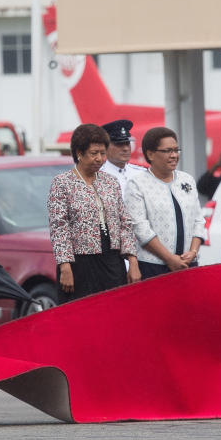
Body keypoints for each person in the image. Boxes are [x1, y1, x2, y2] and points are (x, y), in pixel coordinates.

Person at [48, 123, 140, 304]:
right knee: (80, 317)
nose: (99, 158)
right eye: (94, 153)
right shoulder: (62, 183)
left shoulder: (110, 182)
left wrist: (133, 261)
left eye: (102, 153)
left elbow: (125, 222)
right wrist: (65, 266)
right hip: (79, 263)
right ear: (79, 153)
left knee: (114, 312)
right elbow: (59, 227)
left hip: (112, 261)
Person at [124, 127, 206, 280]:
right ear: (150, 154)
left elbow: (198, 220)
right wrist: (169, 258)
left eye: (176, 150)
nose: (174, 155)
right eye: (168, 151)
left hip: (188, 263)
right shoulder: (137, 184)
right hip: (153, 266)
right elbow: (140, 228)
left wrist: (193, 252)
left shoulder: (186, 179)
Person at [99, 119, 146, 194]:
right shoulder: (97, 177)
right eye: (119, 144)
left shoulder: (142, 173)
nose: (126, 148)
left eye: (127, 143)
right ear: (105, 147)